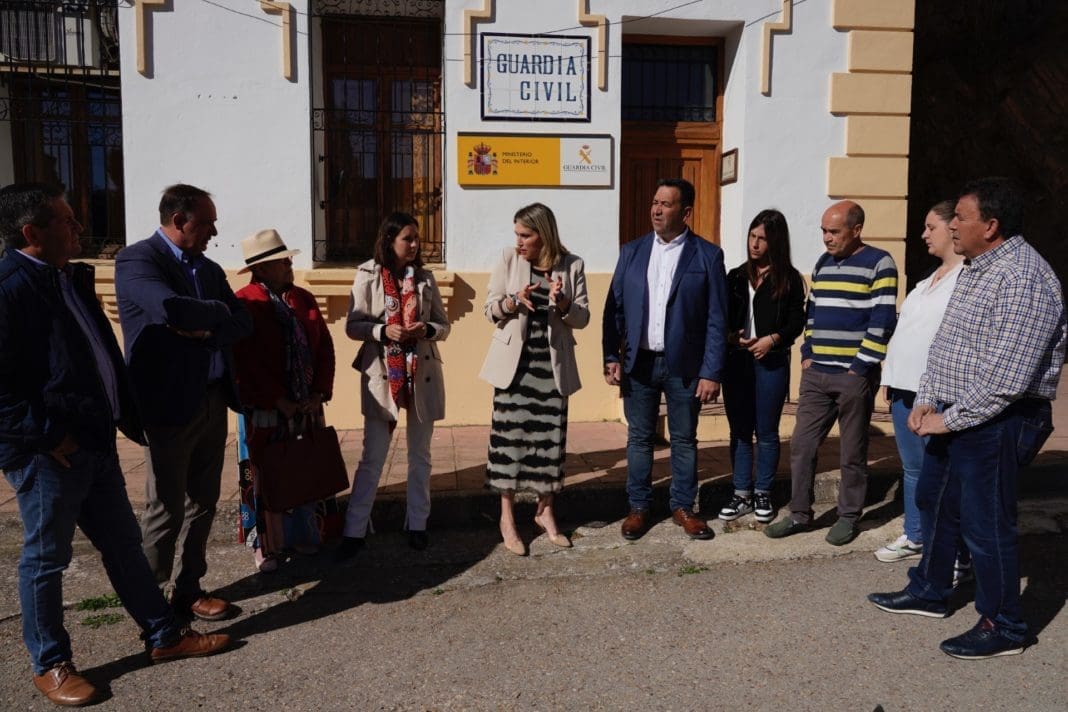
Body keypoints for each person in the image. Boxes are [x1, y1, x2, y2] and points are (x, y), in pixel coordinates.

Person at [0, 184, 230, 707]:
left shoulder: (69, 278)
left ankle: (163, 634)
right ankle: (50, 663)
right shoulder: (10, 289)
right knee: (46, 559)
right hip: (50, 453)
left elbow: (95, 352)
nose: (78, 228)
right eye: (66, 220)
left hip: (94, 441)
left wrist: (121, 416)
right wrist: (48, 435)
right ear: (31, 232)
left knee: (124, 545)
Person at [868, 177, 1066, 659]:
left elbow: (1007, 378)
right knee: (936, 501)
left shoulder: (1024, 278)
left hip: (1000, 418)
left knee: (985, 523)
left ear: (990, 226)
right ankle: (930, 591)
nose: (952, 224)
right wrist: (928, 399)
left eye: (960, 216)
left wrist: (949, 420)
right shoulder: (978, 268)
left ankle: (1005, 626)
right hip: (956, 412)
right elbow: (948, 344)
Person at [115, 184, 253, 621]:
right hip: (168, 406)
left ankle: (188, 587)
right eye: (207, 222)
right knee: (166, 507)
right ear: (179, 220)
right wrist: (216, 314)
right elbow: (172, 310)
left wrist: (207, 326)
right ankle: (151, 603)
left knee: (204, 501)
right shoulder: (138, 261)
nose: (214, 231)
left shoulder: (208, 269)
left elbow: (243, 320)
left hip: (212, 399)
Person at [765, 200, 898, 545]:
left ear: (857, 230)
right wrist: (807, 354)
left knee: (852, 451)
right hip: (816, 374)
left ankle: (848, 516)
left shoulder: (880, 263)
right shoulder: (823, 262)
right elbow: (812, 311)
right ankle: (799, 514)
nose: (826, 237)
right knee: (802, 444)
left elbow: (883, 321)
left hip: (854, 375)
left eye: (834, 231)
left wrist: (859, 368)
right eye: (823, 230)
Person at [603, 178, 728, 541]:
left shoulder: (707, 255)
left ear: (685, 212)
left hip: (685, 366)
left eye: (666, 204)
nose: (656, 210)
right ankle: (638, 507)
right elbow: (615, 309)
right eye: (654, 202)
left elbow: (717, 319)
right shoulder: (632, 252)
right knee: (639, 438)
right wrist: (611, 355)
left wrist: (711, 371)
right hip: (639, 363)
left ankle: (684, 507)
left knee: (684, 439)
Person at [336, 212, 450, 560]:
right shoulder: (368, 274)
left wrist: (426, 330)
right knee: (373, 456)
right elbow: (352, 325)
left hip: (422, 371)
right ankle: (354, 530)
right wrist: (383, 331)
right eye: (407, 238)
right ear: (389, 240)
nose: (415, 245)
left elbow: (443, 326)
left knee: (420, 456)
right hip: (383, 372)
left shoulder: (425, 278)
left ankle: (418, 524)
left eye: (417, 238)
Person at [480, 203, 590, 555]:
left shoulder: (572, 265)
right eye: (516, 234)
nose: (519, 242)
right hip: (514, 368)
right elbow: (489, 310)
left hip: (552, 367)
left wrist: (564, 304)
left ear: (543, 234)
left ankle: (545, 512)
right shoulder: (509, 260)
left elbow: (583, 318)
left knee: (549, 442)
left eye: (525, 235)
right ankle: (507, 519)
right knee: (509, 442)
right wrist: (513, 302)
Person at [232, 229, 335, 572]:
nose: (290, 264)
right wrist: (278, 400)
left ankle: (304, 534)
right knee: (266, 475)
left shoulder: (303, 299)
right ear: (261, 269)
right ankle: (266, 545)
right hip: (266, 409)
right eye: (282, 261)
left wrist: (318, 392)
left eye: (288, 259)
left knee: (304, 469)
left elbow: (324, 347)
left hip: (305, 406)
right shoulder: (245, 303)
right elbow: (245, 361)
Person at [873, 201, 964, 563]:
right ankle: (915, 535)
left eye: (931, 227)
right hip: (904, 388)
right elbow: (908, 330)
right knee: (913, 468)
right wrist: (890, 375)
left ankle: (951, 549)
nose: (924, 234)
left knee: (942, 472)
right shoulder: (927, 280)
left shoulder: (967, 278)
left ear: (952, 228)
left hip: (938, 392)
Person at [718, 209, 806, 524]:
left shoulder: (789, 278)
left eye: (762, 239)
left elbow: (797, 320)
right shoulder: (735, 276)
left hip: (771, 362)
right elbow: (721, 316)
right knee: (740, 430)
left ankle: (763, 492)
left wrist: (773, 339)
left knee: (767, 431)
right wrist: (731, 336)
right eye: (752, 237)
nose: (754, 244)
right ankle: (741, 493)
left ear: (776, 242)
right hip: (737, 362)